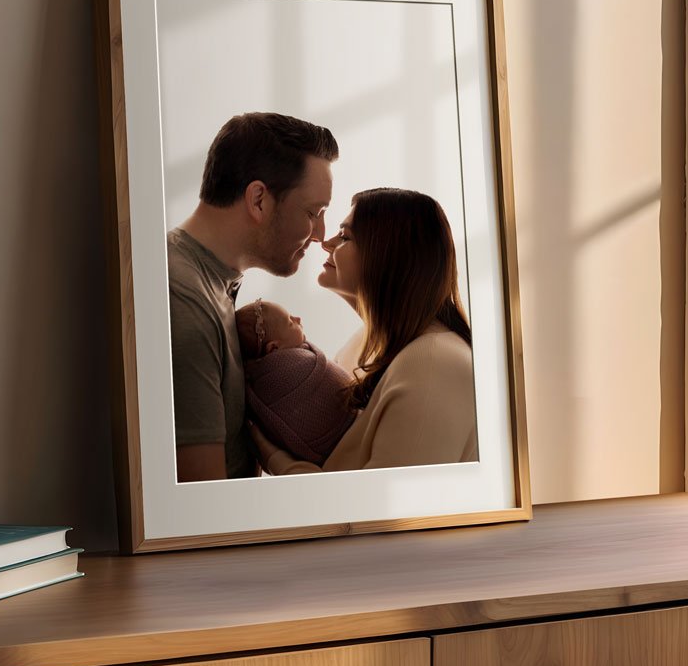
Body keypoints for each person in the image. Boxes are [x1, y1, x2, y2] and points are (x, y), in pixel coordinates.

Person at [252, 187, 478, 475]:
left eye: (345, 236)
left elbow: (385, 511)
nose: (327, 242)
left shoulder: (437, 362)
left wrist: (271, 454)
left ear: (388, 256)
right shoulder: (360, 346)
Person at [168, 112, 338, 482]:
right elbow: (201, 509)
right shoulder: (184, 301)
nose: (321, 234)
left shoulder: (212, 284)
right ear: (259, 200)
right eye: (314, 212)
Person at [235, 299, 355, 466]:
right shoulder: (297, 368)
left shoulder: (253, 384)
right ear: (274, 349)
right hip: (344, 429)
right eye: (290, 322)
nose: (298, 319)